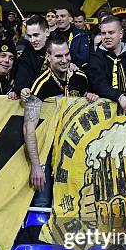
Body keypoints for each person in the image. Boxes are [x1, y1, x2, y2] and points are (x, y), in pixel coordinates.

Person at [24, 35, 97, 207]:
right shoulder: (40, 85)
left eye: (67, 54)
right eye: (58, 56)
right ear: (48, 57)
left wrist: (91, 97)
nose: (64, 60)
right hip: (48, 151)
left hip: (75, 150)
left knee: (75, 202)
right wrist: (36, 165)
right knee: (42, 202)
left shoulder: (81, 78)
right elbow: (29, 127)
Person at [15, 15, 50, 99]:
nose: (32, 40)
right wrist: (22, 89)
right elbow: (23, 73)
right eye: (29, 36)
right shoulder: (27, 51)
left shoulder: (59, 46)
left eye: (36, 35)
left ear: (47, 32)